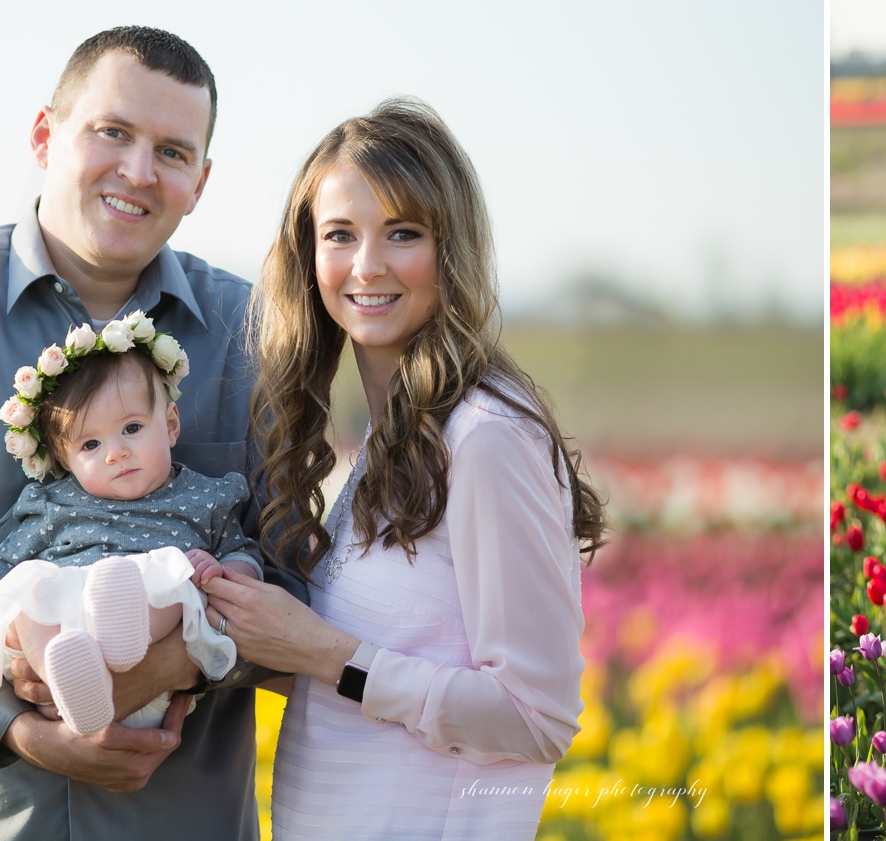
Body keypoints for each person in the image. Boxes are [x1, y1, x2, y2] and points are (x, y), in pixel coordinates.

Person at [0, 26, 301, 838]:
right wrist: (10, 720)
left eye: (173, 151)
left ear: (202, 181)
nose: (138, 172)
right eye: (112, 132)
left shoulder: (254, 333)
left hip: (172, 814)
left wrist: (163, 660)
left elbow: (288, 572)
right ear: (46, 136)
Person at [196, 98, 607, 838]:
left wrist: (324, 654)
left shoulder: (485, 437)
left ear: (450, 248)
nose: (368, 266)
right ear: (308, 255)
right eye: (340, 235)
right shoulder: (388, 439)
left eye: (402, 233)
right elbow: (365, 681)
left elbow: (536, 717)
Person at [0, 319, 262, 736]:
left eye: (132, 429)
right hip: (66, 644)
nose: (116, 453)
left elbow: (243, 553)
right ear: (63, 459)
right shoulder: (56, 502)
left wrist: (219, 570)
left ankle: (119, 643)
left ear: (170, 425)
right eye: (90, 445)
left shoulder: (201, 496)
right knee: (24, 590)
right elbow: (3, 564)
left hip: (150, 661)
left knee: (173, 579)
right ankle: (68, 676)